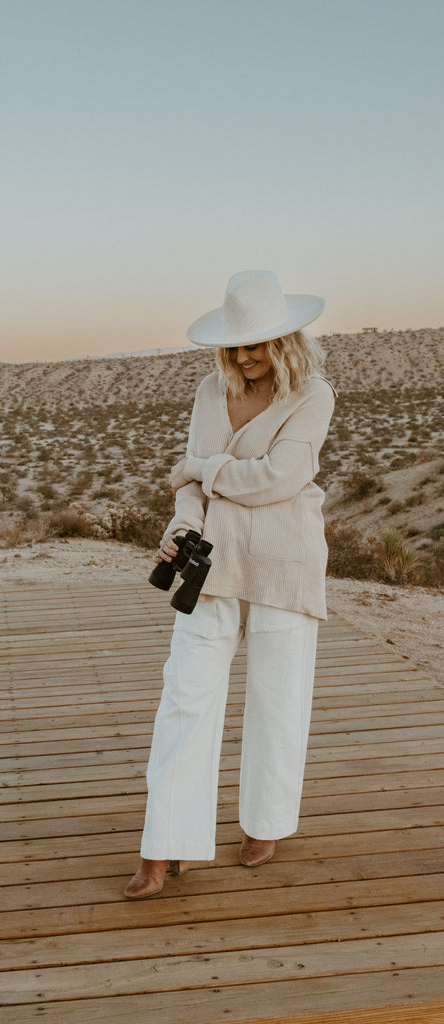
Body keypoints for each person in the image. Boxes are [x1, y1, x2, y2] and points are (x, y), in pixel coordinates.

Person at [124, 269, 336, 899]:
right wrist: (180, 523)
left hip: (285, 558)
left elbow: (278, 478)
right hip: (210, 559)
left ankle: (265, 821)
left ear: (287, 340)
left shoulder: (314, 396)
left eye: (258, 345)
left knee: (279, 694)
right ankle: (165, 843)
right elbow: (195, 487)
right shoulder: (209, 391)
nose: (244, 358)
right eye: (236, 346)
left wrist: (200, 468)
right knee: (185, 695)